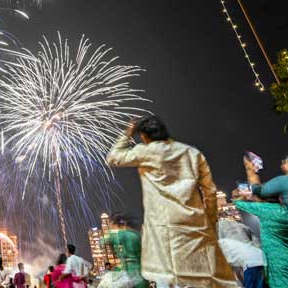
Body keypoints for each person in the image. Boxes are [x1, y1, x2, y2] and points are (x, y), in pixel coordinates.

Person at [106, 116, 236, 288]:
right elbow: (210, 191)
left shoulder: (146, 151)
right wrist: (210, 219)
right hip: (195, 224)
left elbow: (113, 157)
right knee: (206, 276)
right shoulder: (192, 152)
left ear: (145, 137)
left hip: (164, 227)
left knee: (171, 278)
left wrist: (127, 133)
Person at [231, 154, 288, 287]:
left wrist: (250, 170)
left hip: (279, 270)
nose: (282, 165)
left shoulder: (271, 212)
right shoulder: (279, 211)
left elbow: (256, 190)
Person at [98, 214, 148, 288]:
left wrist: (110, 229)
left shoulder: (121, 234)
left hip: (129, 271)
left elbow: (102, 241)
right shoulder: (138, 235)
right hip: (142, 272)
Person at [216, 218, 264, 288]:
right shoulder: (241, 225)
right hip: (259, 258)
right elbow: (257, 243)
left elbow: (232, 268)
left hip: (250, 263)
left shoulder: (220, 239)